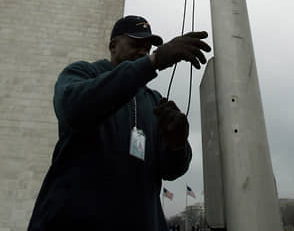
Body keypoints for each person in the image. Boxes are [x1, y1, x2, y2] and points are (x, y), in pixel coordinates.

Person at [28, 15, 211, 231]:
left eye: (148, 48)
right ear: (113, 45)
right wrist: (153, 62)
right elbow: (73, 108)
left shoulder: (154, 100)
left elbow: (171, 171)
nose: (144, 51)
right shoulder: (81, 73)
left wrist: (177, 144)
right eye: (136, 44)